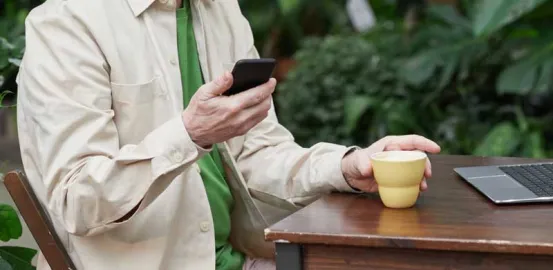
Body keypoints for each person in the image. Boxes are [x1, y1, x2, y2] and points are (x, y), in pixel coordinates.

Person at [15, 0, 441, 269]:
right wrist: (189, 134)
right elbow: (77, 201)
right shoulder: (66, 23)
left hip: (238, 257)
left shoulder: (222, 12)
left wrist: (346, 166)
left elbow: (257, 152)